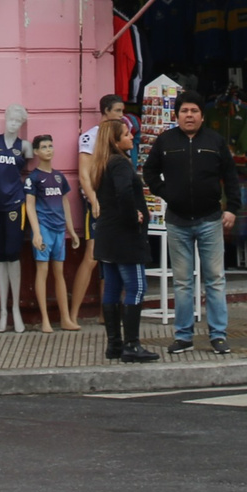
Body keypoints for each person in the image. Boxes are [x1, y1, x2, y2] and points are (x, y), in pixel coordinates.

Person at [142, 94, 236, 355]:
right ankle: (183, 336)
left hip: (210, 220)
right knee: (182, 282)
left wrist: (233, 209)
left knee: (215, 280)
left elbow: (230, 176)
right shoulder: (165, 141)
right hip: (177, 222)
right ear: (177, 115)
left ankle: (218, 336)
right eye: (184, 111)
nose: (189, 115)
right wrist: (167, 194)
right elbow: (149, 171)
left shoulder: (215, 141)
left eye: (194, 110)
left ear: (202, 116)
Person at [91, 117, 157, 362]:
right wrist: (134, 217)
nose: (131, 137)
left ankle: (114, 345)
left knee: (112, 288)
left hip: (107, 237)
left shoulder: (102, 163)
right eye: (127, 134)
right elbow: (124, 192)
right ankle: (131, 345)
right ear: (115, 140)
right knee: (136, 287)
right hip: (124, 237)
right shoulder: (120, 163)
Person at [69, 93, 127, 317]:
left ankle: (109, 312)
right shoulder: (90, 137)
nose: (122, 116)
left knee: (114, 255)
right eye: (118, 111)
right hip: (96, 202)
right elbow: (84, 174)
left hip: (115, 202)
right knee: (92, 255)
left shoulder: (121, 136)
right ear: (106, 112)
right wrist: (93, 200)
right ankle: (73, 313)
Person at [22, 135, 80, 332]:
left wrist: (71, 230)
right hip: (44, 229)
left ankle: (65, 318)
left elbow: (65, 203)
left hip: (59, 230)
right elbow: (29, 206)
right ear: (36, 152)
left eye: (50, 146)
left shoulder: (59, 177)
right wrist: (36, 233)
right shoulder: (33, 178)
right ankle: (45, 319)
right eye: (43, 147)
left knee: (60, 274)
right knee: (42, 271)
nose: (48, 149)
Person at [0, 105, 32, 332]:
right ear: (5, 119)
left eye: (17, 121)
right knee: (0, 256)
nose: (13, 124)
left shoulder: (25, 147)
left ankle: (16, 309)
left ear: (21, 124)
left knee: (13, 255)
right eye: (11, 119)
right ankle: (3, 310)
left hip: (15, 203)